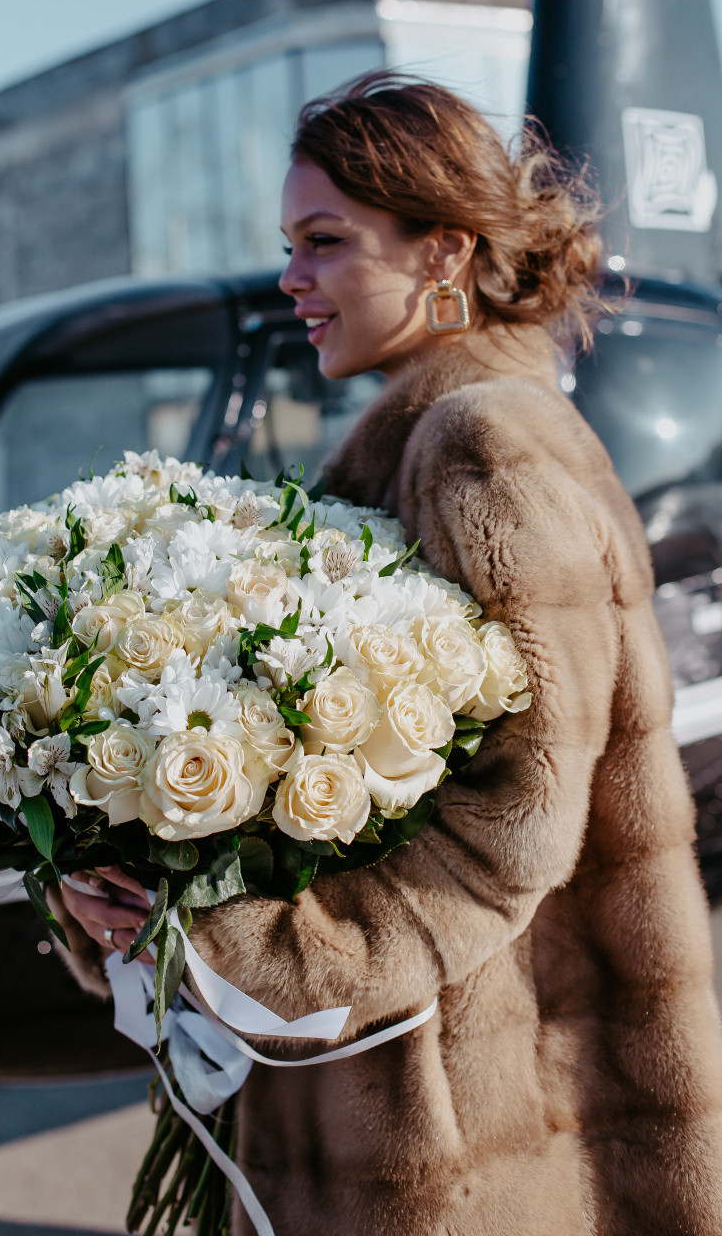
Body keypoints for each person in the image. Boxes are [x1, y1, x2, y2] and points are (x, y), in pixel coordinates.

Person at [50, 73, 722, 1235]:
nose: (290, 279)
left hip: (468, 1133)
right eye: (287, 245)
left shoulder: (480, 449)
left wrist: (243, 946)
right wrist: (139, 880)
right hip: (442, 1111)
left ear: (444, 252)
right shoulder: (425, 445)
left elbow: (519, 823)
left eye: (324, 242)